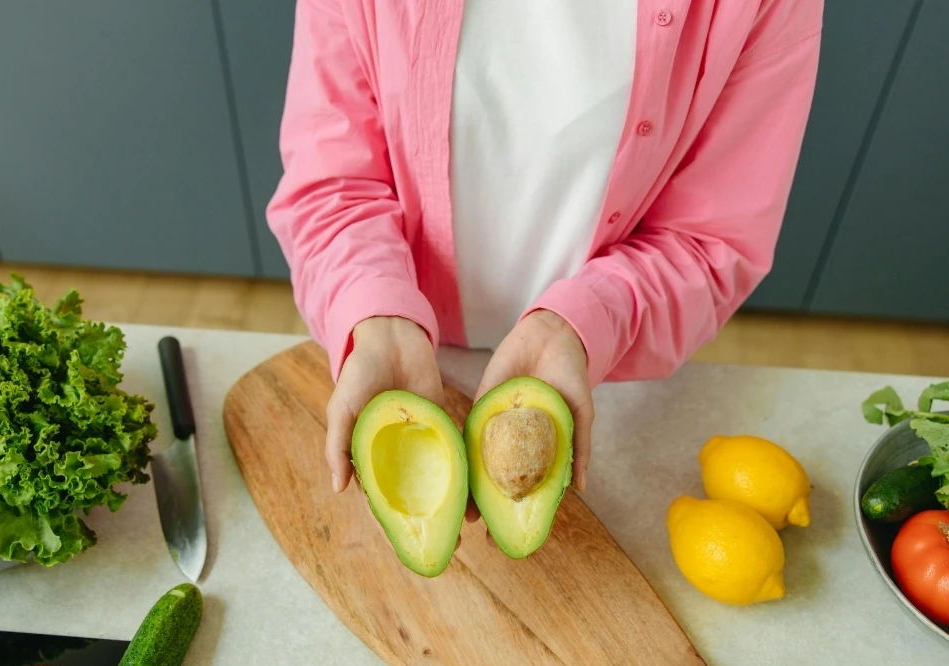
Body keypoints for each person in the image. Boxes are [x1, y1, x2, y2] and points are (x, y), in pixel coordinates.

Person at [267, 0, 823, 513]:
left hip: (601, 374)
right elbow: (331, 182)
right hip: (402, 349)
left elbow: (712, 240)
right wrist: (375, 313)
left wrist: (583, 323)